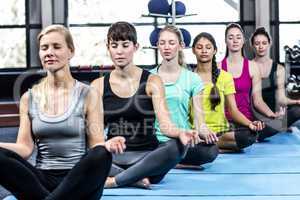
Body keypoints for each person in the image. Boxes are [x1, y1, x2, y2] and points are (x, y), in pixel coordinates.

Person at [0, 24, 125, 200]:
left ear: (71, 52)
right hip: (42, 181)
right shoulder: (29, 98)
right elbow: (24, 148)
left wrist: (108, 145)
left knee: (101, 154)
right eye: (44, 48)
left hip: (79, 181)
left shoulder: (89, 94)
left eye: (56, 47)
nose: (49, 52)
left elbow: (95, 146)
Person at [91, 21, 200, 189]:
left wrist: (181, 132)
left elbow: (165, 125)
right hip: (113, 158)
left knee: (177, 146)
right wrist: (104, 145)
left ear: (135, 47)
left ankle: (116, 180)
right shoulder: (97, 85)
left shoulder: (152, 81)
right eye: (114, 45)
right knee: (77, 149)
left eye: (125, 45)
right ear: (108, 47)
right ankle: (134, 178)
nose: (119, 51)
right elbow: (96, 133)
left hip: (147, 158)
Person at [150, 25, 218, 168]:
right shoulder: (148, 77)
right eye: (162, 43)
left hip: (182, 140)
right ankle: (173, 162)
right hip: (155, 142)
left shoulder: (193, 79)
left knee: (211, 151)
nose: (166, 47)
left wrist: (205, 132)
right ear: (157, 46)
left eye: (171, 43)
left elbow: (200, 121)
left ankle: (170, 162)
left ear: (180, 46)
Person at [190, 32, 263, 153]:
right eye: (199, 47)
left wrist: (250, 124)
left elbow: (233, 111)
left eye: (208, 47)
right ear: (193, 50)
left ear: (214, 51)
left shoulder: (225, 77)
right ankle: (211, 144)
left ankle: (211, 144)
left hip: (221, 133)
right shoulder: (188, 77)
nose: (204, 51)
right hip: (197, 131)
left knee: (250, 135)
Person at [220, 23, 269, 151]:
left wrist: (272, 115)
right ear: (226, 41)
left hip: (245, 121)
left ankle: (224, 142)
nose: (235, 40)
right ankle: (218, 141)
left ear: (243, 41)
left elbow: (257, 100)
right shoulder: (218, 67)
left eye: (238, 37)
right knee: (246, 137)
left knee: (253, 133)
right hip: (224, 121)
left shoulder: (253, 67)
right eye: (230, 37)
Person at [251, 27, 300, 136]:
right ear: (253, 45)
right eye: (257, 43)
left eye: (264, 43)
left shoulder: (279, 69)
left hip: (273, 118)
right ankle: (258, 131)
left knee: (297, 110)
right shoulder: (247, 67)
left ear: (269, 44)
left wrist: (297, 102)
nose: (261, 46)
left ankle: (274, 128)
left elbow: (281, 98)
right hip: (253, 117)